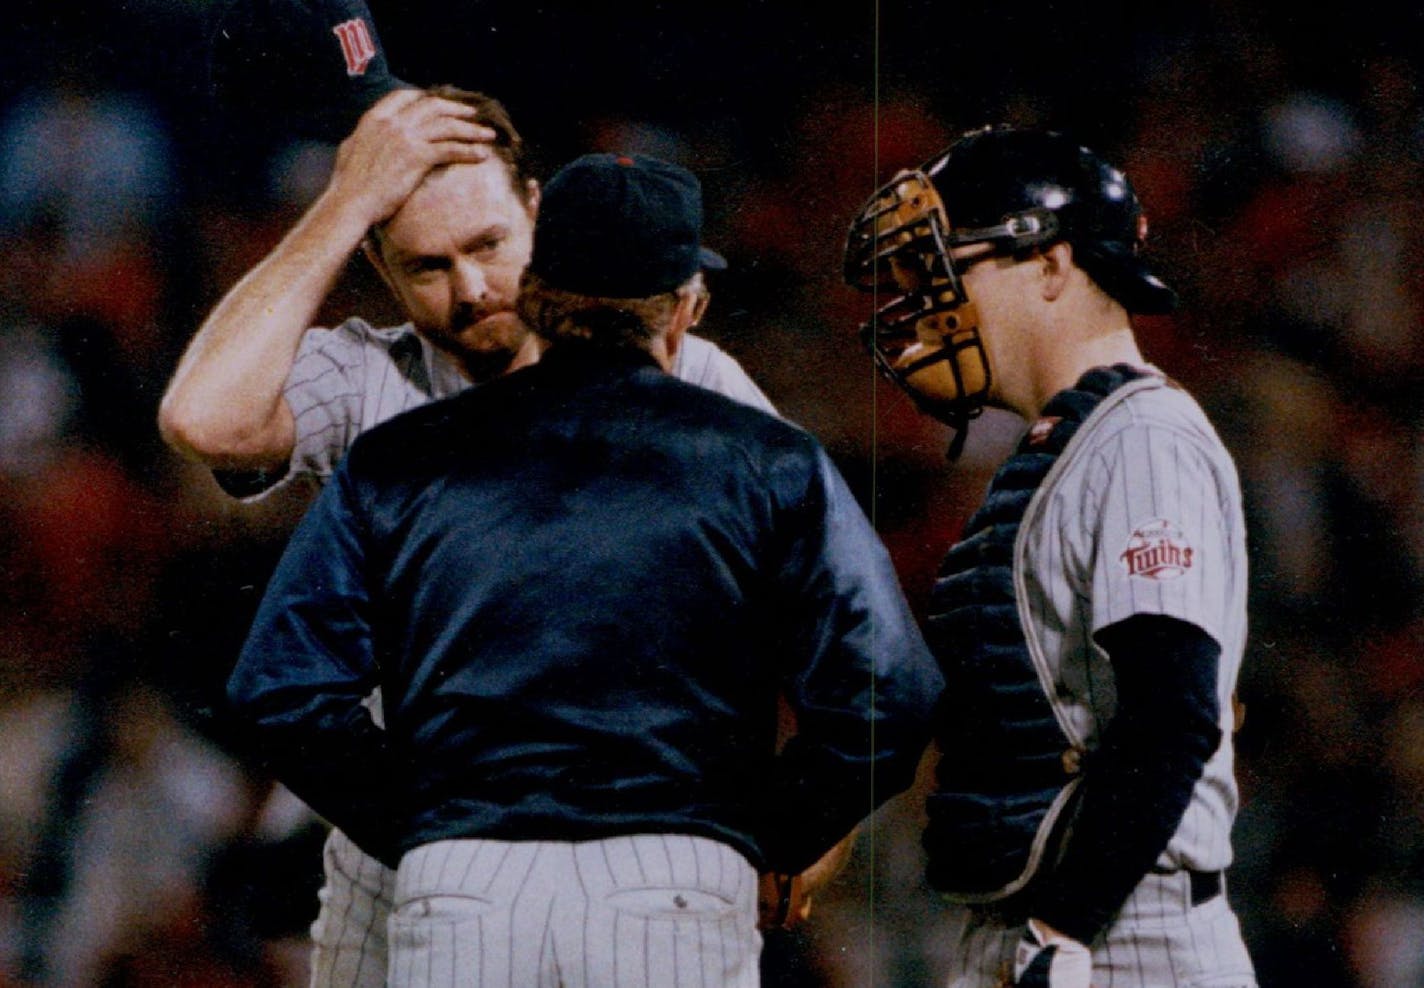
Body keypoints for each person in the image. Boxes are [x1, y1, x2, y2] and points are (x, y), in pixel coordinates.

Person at [225, 150, 943, 987]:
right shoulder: (767, 460)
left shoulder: (400, 459)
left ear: (534, 293)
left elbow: (279, 689)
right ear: (685, 308)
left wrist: (423, 822)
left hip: (461, 887)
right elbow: (891, 692)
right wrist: (773, 831)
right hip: (673, 880)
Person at [158, 85, 785, 986]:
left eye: (490, 245)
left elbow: (815, 624)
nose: (473, 289)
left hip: (643, 849)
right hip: (410, 855)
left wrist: (794, 829)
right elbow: (202, 417)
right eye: (426, 265)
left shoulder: (688, 375)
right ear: (378, 265)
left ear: (539, 211)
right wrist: (345, 203)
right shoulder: (370, 374)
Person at [843, 125, 1257, 988]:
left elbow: (1172, 712)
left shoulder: (1141, 439)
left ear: (1053, 264)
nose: (930, 302)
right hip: (1050, 924)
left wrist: (1062, 928)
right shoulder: (1066, 443)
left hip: (1120, 933)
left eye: (951, 269)